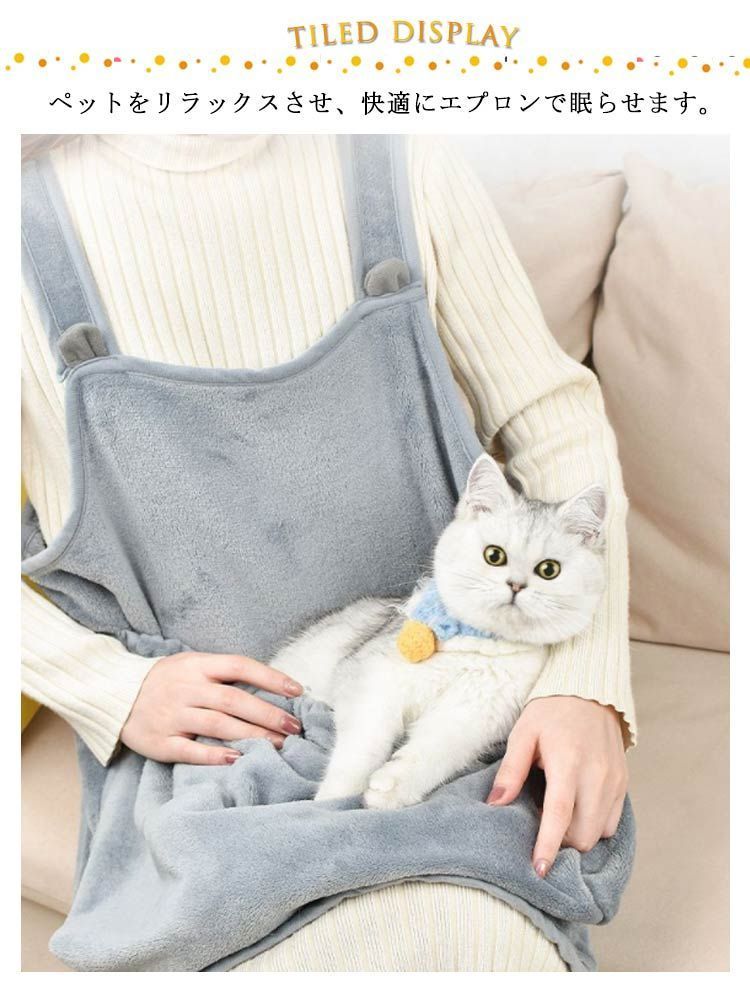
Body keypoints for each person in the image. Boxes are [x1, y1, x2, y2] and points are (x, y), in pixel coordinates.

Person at [21, 134, 634, 971]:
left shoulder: (404, 160)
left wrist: (584, 682)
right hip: (214, 753)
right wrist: (109, 687)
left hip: (463, 694)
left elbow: (554, 418)